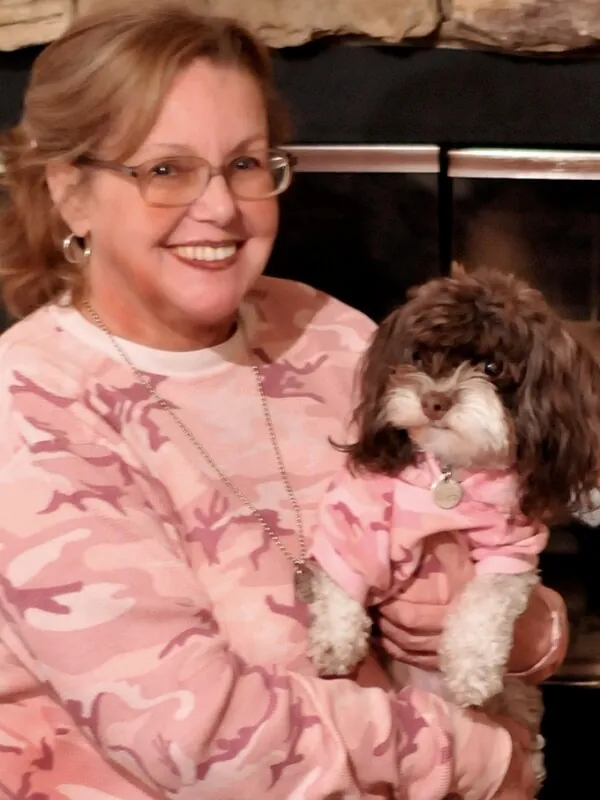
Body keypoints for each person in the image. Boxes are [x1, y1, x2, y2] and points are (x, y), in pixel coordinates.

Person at [0, 2, 566, 797]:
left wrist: (533, 627)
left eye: (245, 163)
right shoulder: (30, 412)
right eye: (165, 170)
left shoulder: (328, 332)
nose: (221, 209)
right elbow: (200, 739)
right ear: (71, 193)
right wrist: (487, 763)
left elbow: (488, 531)